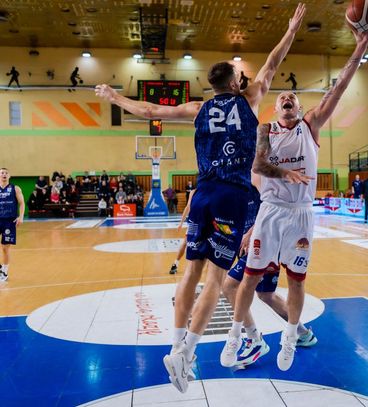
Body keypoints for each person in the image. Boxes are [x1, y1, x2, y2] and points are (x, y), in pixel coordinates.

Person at [97, 3, 306, 393]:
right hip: (232, 196)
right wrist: (291, 30)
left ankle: (176, 347)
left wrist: (114, 97)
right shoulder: (250, 98)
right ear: (235, 82)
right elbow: (273, 64)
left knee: (190, 272)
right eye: (241, 76)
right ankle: (187, 353)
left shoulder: (198, 108)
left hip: (203, 193)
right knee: (214, 278)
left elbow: (149, 109)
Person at [220, 23, 368, 371]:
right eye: (281, 98)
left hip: (301, 212)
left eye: (292, 97)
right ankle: (237, 335)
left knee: (296, 279)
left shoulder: (310, 126)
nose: (286, 99)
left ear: (300, 106)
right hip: (271, 210)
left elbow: (340, 86)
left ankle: (291, 337)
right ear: (276, 108)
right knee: (249, 278)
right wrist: (286, 174)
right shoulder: (265, 131)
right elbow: (259, 165)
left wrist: (360, 47)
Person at [221, 173, 317, 367]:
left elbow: (272, 205)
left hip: (265, 238)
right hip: (253, 240)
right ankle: (302, 333)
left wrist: (251, 232)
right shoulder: (233, 177)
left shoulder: (257, 173)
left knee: (230, 286)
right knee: (266, 294)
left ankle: (254, 339)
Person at [0, 168, 25, 282]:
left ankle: (4, 272)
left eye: (6, 173)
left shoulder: (15, 188)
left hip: (9, 221)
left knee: (5, 248)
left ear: (9, 176)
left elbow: (21, 203)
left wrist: (21, 216)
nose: (4, 174)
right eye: (2, 173)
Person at [169, 188, 196, 275]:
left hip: (206, 222)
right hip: (195, 222)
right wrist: (181, 223)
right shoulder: (193, 192)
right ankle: (175, 264)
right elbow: (188, 207)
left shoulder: (211, 191)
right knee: (185, 243)